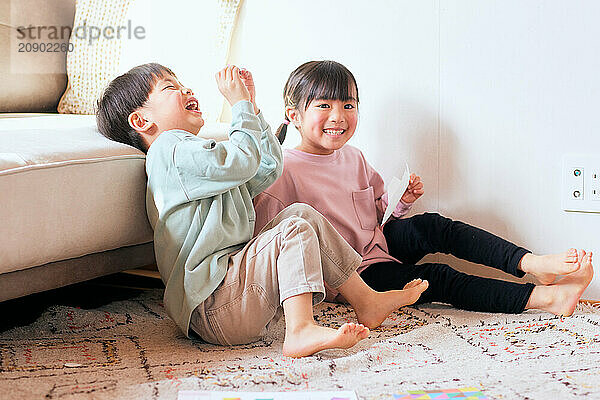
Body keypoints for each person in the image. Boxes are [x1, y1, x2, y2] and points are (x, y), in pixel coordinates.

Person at [96, 63, 429, 358]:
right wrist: (238, 105)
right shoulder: (169, 151)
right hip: (213, 306)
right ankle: (300, 330)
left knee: (302, 214)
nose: (185, 89)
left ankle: (366, 301)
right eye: (169, 87)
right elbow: (241, 161)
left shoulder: (196, 160)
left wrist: (251, 108)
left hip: (231, 296)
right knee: (293, 230)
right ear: (142, 121)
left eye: (181, 82)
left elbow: (266, 167)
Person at [254, 60, 594, 317]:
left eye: (348, 105)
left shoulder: (353, 157)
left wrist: (399, 202)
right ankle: (546, 298)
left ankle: (532, 263)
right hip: (353, 276)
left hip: (376, 244)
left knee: (433, 225)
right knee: (436, 278)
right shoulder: (282, 170)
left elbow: (374, 214)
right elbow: (276, 246)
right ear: (294, 115)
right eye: (324, 105)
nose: (338, 116)